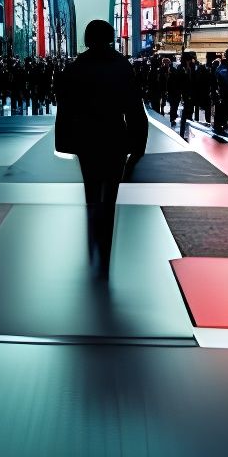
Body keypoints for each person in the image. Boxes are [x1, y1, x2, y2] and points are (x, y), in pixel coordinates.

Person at [55, 19, 148, 280]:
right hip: (115, 135)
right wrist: (138, 144)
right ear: (110, 36)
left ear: (87, 38)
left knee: (91, 186)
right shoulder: (121, 65)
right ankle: (105, 235)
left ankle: (92, 234)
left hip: (85, 136)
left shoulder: (77, 67)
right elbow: (134, 108)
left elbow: (66, 108)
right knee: (112, 190)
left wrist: (63, 141)